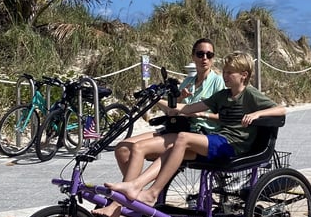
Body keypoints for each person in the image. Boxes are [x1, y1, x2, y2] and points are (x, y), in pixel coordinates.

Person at [105, 51, 286, 208]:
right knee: (173, 149)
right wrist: (159, 100)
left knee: (183, 138)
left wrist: (256, 114)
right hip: (220, 140)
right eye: (224, 72)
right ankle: (136, 186)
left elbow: (281, 109)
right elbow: (187, 109)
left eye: (230, 72)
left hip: (234, 146)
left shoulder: (250, 94)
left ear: (244, 75)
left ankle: (152, 193)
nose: (225, 76)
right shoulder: (222, 95)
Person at [93, 38, 225, 217]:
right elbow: (172, 109)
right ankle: (135, 196)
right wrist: (177, 99)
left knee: (139, 148)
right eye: (200, 54)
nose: (204, 58)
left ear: (213, 58)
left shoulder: (217, 82)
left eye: (209, 55)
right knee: (122, 148)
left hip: (195, 132)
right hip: (175, 126)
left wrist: (197, 113)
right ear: (193, 56)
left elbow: (223, 114)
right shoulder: (188, 81)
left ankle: (117, 204)